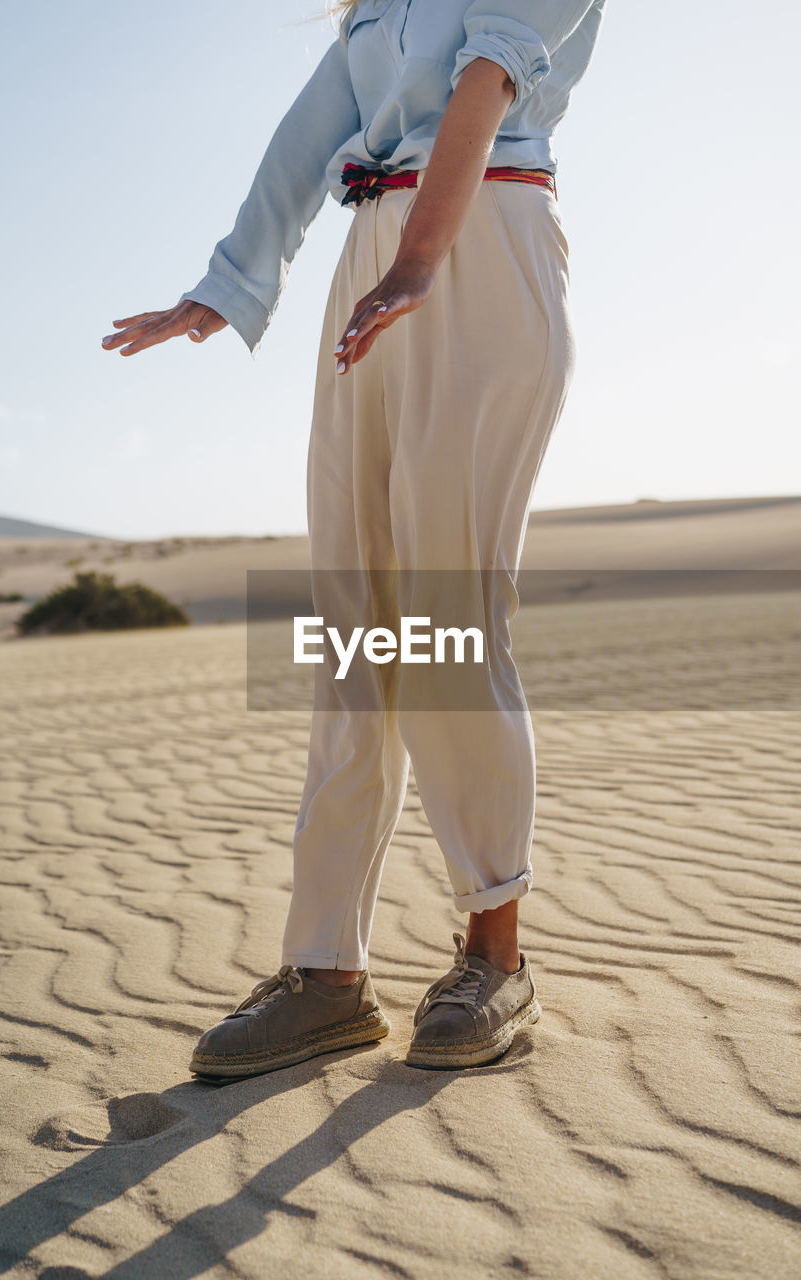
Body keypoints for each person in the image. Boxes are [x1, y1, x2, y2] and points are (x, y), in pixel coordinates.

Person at [102, 0, 608, 1076]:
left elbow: (490, 76)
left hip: (483, 237)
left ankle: (493, 955)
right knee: (355, 631)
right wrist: (228, 281)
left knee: (444, 618)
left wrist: (423, 255)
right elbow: (309, 128)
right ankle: (326, 973)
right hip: (371, 261)